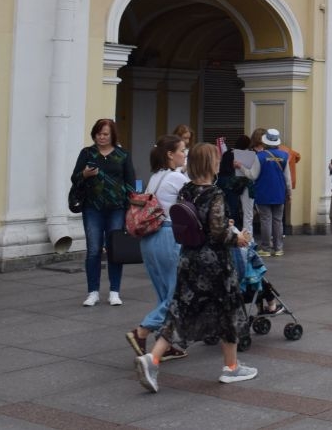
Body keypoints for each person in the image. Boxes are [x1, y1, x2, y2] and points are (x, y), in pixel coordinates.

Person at [135, 143, 257, 392]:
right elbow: (218, 234)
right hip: (214, 263)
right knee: (228, 310)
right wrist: (239, 238)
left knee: (180, 309)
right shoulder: (215, 193)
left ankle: (152, 358)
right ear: (211, 164)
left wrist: (222, 222)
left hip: (188, 258)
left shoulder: (185, 190)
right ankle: (231, 368)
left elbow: (196, 220)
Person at [125, 135, 190, 362]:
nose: (185, 153)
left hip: (149, 238)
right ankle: (141, 331)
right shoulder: (177, 178)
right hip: (168, 236)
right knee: (176, 295)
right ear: (170, 154)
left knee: (164, 293)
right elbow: (196, 203)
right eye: (182, 150)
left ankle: (166, 343)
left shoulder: (156, 177)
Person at [71, 118, 135, 306]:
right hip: (92, 208)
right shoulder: (87, 153)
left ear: (112, 135)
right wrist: (84, 174)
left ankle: (114, 291)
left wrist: (131, 207)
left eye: (105, 134)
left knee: (115, 249)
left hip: (117, 208)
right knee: (93, 250)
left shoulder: (123, 155)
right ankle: (93, 292)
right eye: (99, 134)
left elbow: (130, 182)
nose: (102, 137)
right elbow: (74, 177)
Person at [252, 128, 288, 257]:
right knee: (278, 221)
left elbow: (253, 175)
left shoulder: (260, 156)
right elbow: (287, 177)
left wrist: (243, 169)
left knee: (266, 220)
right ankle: (279, 248)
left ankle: (266, 248)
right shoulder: (284, 155)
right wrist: (288, 191)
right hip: (279, 192)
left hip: (263, 192)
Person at [230, 135, 259, 234]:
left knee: (247, 212)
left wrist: (240, 166)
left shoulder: (235, 154)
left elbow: (251, 175)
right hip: (248, 186)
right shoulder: (254, 155)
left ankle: (248, 238)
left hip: (245, 186)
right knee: (248, 213)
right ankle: (248, 237)